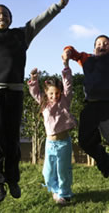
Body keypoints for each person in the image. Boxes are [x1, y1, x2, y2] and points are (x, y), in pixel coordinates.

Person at [0, 0, 70, 202]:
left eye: (5, 13)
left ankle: (13, 179)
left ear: (11, 18)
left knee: (12, 138)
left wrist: (58, 6)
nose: (1, 16)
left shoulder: (21, 35)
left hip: (15, 93)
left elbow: (40, 21)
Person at [63, 30, 109, 185]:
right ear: (94, 49)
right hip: (91, 106)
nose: (102, 46)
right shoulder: (88, 59)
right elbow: (74, 52)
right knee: (84, 141)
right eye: (99, 44)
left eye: (106, 44)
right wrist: (67, 51)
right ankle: (102, 157)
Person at [28, 49, 76, 205]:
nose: (54, 96)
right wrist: (34, 79)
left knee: (63, 171)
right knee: (47, 173)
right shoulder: (44, 104)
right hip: (50, 144)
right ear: (47, 94)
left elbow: (68, 85)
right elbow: (34, 92)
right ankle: (56, 191)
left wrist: (66, 65)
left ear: (60, 93)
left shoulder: (65, 101)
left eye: (56, 93)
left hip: (64, 143)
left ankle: (65, 194)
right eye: (51, 94)